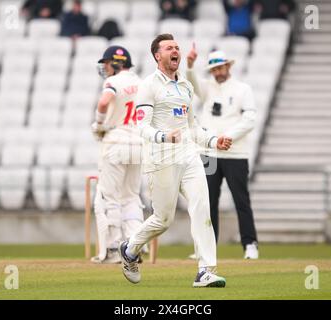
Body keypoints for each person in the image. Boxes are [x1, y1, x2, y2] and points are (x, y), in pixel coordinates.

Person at [118, 33, 232, 288]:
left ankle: (205, 270)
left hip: (189, 156)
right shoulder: (149, 85)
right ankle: (130, 249)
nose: (175, 51)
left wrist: (214, 142)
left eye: (177, 47)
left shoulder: (186, 86)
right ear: (157, 55)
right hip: (161, 159)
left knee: (202, 207)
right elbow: (141, 127)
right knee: (163, 219)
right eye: (169, 48)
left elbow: (192, 127)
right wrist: (163, 136)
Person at [186, 45, 259, 259]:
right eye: (214, 69)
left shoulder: (242, 89)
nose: (218, 72)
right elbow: (191, 81)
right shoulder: (207, 88)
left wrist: (228, 137)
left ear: (228, 66)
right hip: (210, 153)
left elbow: (250, 119)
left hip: (235, 153)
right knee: (208, 202)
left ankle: (250, 244)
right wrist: (190, 64)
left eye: (221, 68)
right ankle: (207, 248)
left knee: (241, 200)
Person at [90, 46, 145, 264]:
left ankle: (113, 249)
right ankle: (134, 246)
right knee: (131, 196)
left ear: (115, 64)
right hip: (138, 144)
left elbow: (104, 102)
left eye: (106, 63)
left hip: (115, 142)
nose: (104, 67)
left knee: (109, 196)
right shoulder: (142, 83)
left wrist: (99, 124)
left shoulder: (114, 82)